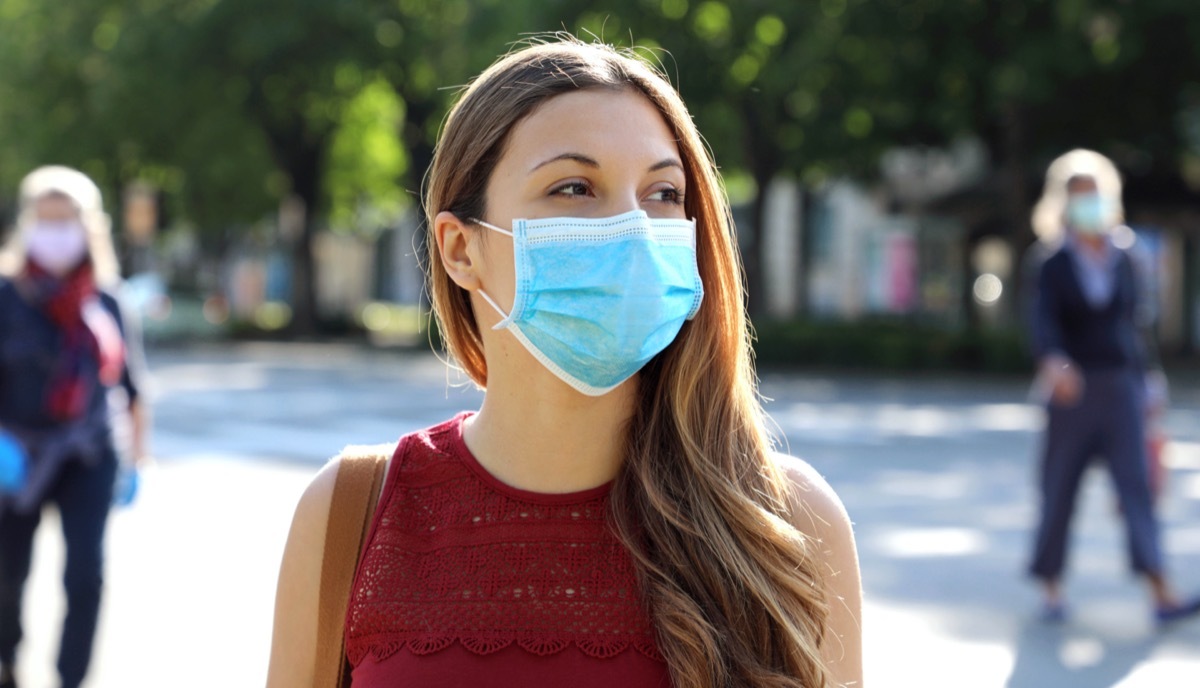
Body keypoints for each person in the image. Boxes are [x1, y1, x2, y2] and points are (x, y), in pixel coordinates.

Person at [268, 37, 862, 687]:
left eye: (663, 193)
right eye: (575, 187)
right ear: (460, 248)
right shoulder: (351, 514)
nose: (633, 230)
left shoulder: (787, 523)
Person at [1026, 148, 1199, 625]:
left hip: (1120, 385)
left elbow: (1134, 325)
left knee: (1137, 488)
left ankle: (1160, 589)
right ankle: (1052, 587)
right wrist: (1054, 361)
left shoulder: (1125, 255)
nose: (1089, 204)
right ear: (1063, 202)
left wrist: (1151, 381)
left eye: (1095, 195)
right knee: (1059, 488)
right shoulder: (1051, 261)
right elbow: (1042, 322)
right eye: (1079, 196)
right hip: (1072, 392)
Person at [0, 165, 149, 688]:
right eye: (46, 221)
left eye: (67, 221)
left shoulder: (107, 300)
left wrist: (137, 461)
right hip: (15, 457)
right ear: (27, 224)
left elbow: (132, 390)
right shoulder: (6, 295)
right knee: (6, 577)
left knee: (86, 575)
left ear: (89, 226)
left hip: (91, 452)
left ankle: (71, 679)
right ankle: (6, 662)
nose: (56, 232)